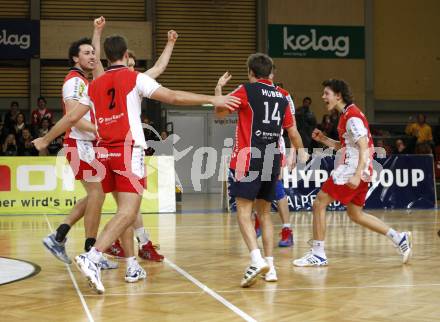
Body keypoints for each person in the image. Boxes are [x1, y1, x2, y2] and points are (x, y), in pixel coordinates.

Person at [33, 34, 240, 294]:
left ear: (105, 56)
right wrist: (213, 99)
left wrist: (46, 139)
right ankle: (93, 256)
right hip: (127, 151)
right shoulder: (134, 78)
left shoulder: (95, 84)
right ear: (127, 56)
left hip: (103, 154)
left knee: (125, 211)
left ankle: (130, 264)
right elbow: (173, 96)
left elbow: (72, 116)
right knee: (129, 212)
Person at [293, 79, 412, 267]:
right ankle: (399, 238)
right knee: (355, 214)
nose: (323, 97)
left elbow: (364, 146)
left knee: (319, 203)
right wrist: (324, 139)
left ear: (338, 95)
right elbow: (345, 146)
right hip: (363, 169)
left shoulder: (352, 116)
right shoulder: (345, 115)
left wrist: (356, 174)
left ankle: (318, 253)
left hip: (353, 169)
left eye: (326, 93)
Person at [214, 53, 304, 288]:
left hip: (247, 159)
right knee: (264, 213)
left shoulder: (246, 90)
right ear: (270, 73)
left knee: (243, 212)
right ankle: (271, 267)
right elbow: (293, 133)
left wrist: (218, 90)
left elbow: (220, 112)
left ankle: (256, 259)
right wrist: (300, 152)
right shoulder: (283, 96)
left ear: (251, 73)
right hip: (272, 161)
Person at [40, 17, 117, 270]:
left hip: (89, 145)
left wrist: (97, 31)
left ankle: (59, 236)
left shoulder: (86, 80)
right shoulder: (74, 81)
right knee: (97, 193)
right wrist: (101, 131)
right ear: (75, 58)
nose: (92, 56)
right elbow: (73, 118)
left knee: (98, 194)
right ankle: (90, 251)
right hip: (78, 144)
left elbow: (95, 67)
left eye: (94, 52)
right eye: (86, 53)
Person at [104, 30, 179, 262]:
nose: (133, 67)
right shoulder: (108, 81)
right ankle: (108, 247)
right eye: (130, 63)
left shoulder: (133, 79)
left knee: (129, 206)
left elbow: (159, 68)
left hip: (117, 147)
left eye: (135, 65)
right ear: (123, 58)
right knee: (127, 207)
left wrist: (170, 43)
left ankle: (140, 243)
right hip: (117, 145)